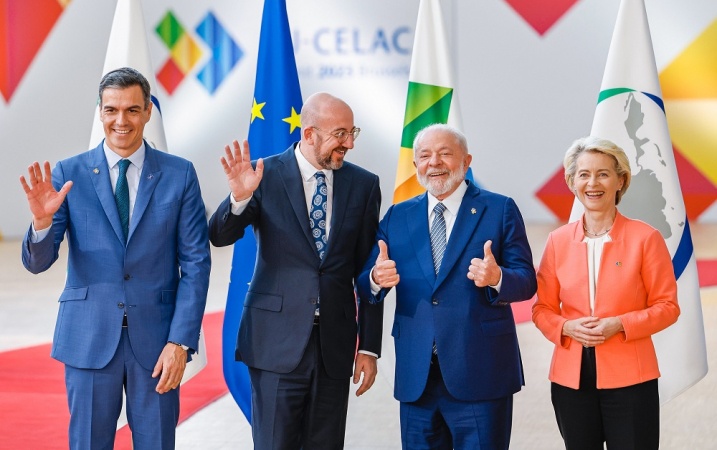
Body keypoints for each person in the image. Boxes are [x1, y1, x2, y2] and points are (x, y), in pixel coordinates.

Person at [20, 67, 211, 450]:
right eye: (111, 110)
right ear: (100, 111)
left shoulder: (180, 174)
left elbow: (196, 264)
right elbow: (39, 262)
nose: (120, 121)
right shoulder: (68, 172)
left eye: (131, 110)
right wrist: (41, 223)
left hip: (157, 344)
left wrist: (180, 342)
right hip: (88, 339)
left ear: (148, 112)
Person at [208, 92, 382, 449]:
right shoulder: (262, 174)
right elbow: (219, 236)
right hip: (274, 344)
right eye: (340, 134)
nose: (348, 143)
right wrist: (239, 199)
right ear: (309, 134)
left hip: (334, 346)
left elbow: (369, 269)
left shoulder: (364, 185)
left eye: (353, 133)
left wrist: (370, 347)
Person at [357, 124, 537, 449]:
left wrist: (497, 279)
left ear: (467, 161)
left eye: (445, 153)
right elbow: (366, 279)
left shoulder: (499, 209)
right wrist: (374, 279)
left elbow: (526, 281)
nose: (434, 162)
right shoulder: (398, 216)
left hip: (481, 373)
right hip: (417, 378)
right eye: (425, 155)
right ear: (415, 166)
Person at [532, 136, 680, 450]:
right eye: (583, 174)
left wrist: (621, 324)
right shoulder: (557, 241)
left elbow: (668, 306)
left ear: (620, 180)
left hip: (631, 379)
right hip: (570, 380)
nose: (592, 183)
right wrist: (565, 327)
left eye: (603, 174)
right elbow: (541, 309)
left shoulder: (646, 238)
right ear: (572, 182)